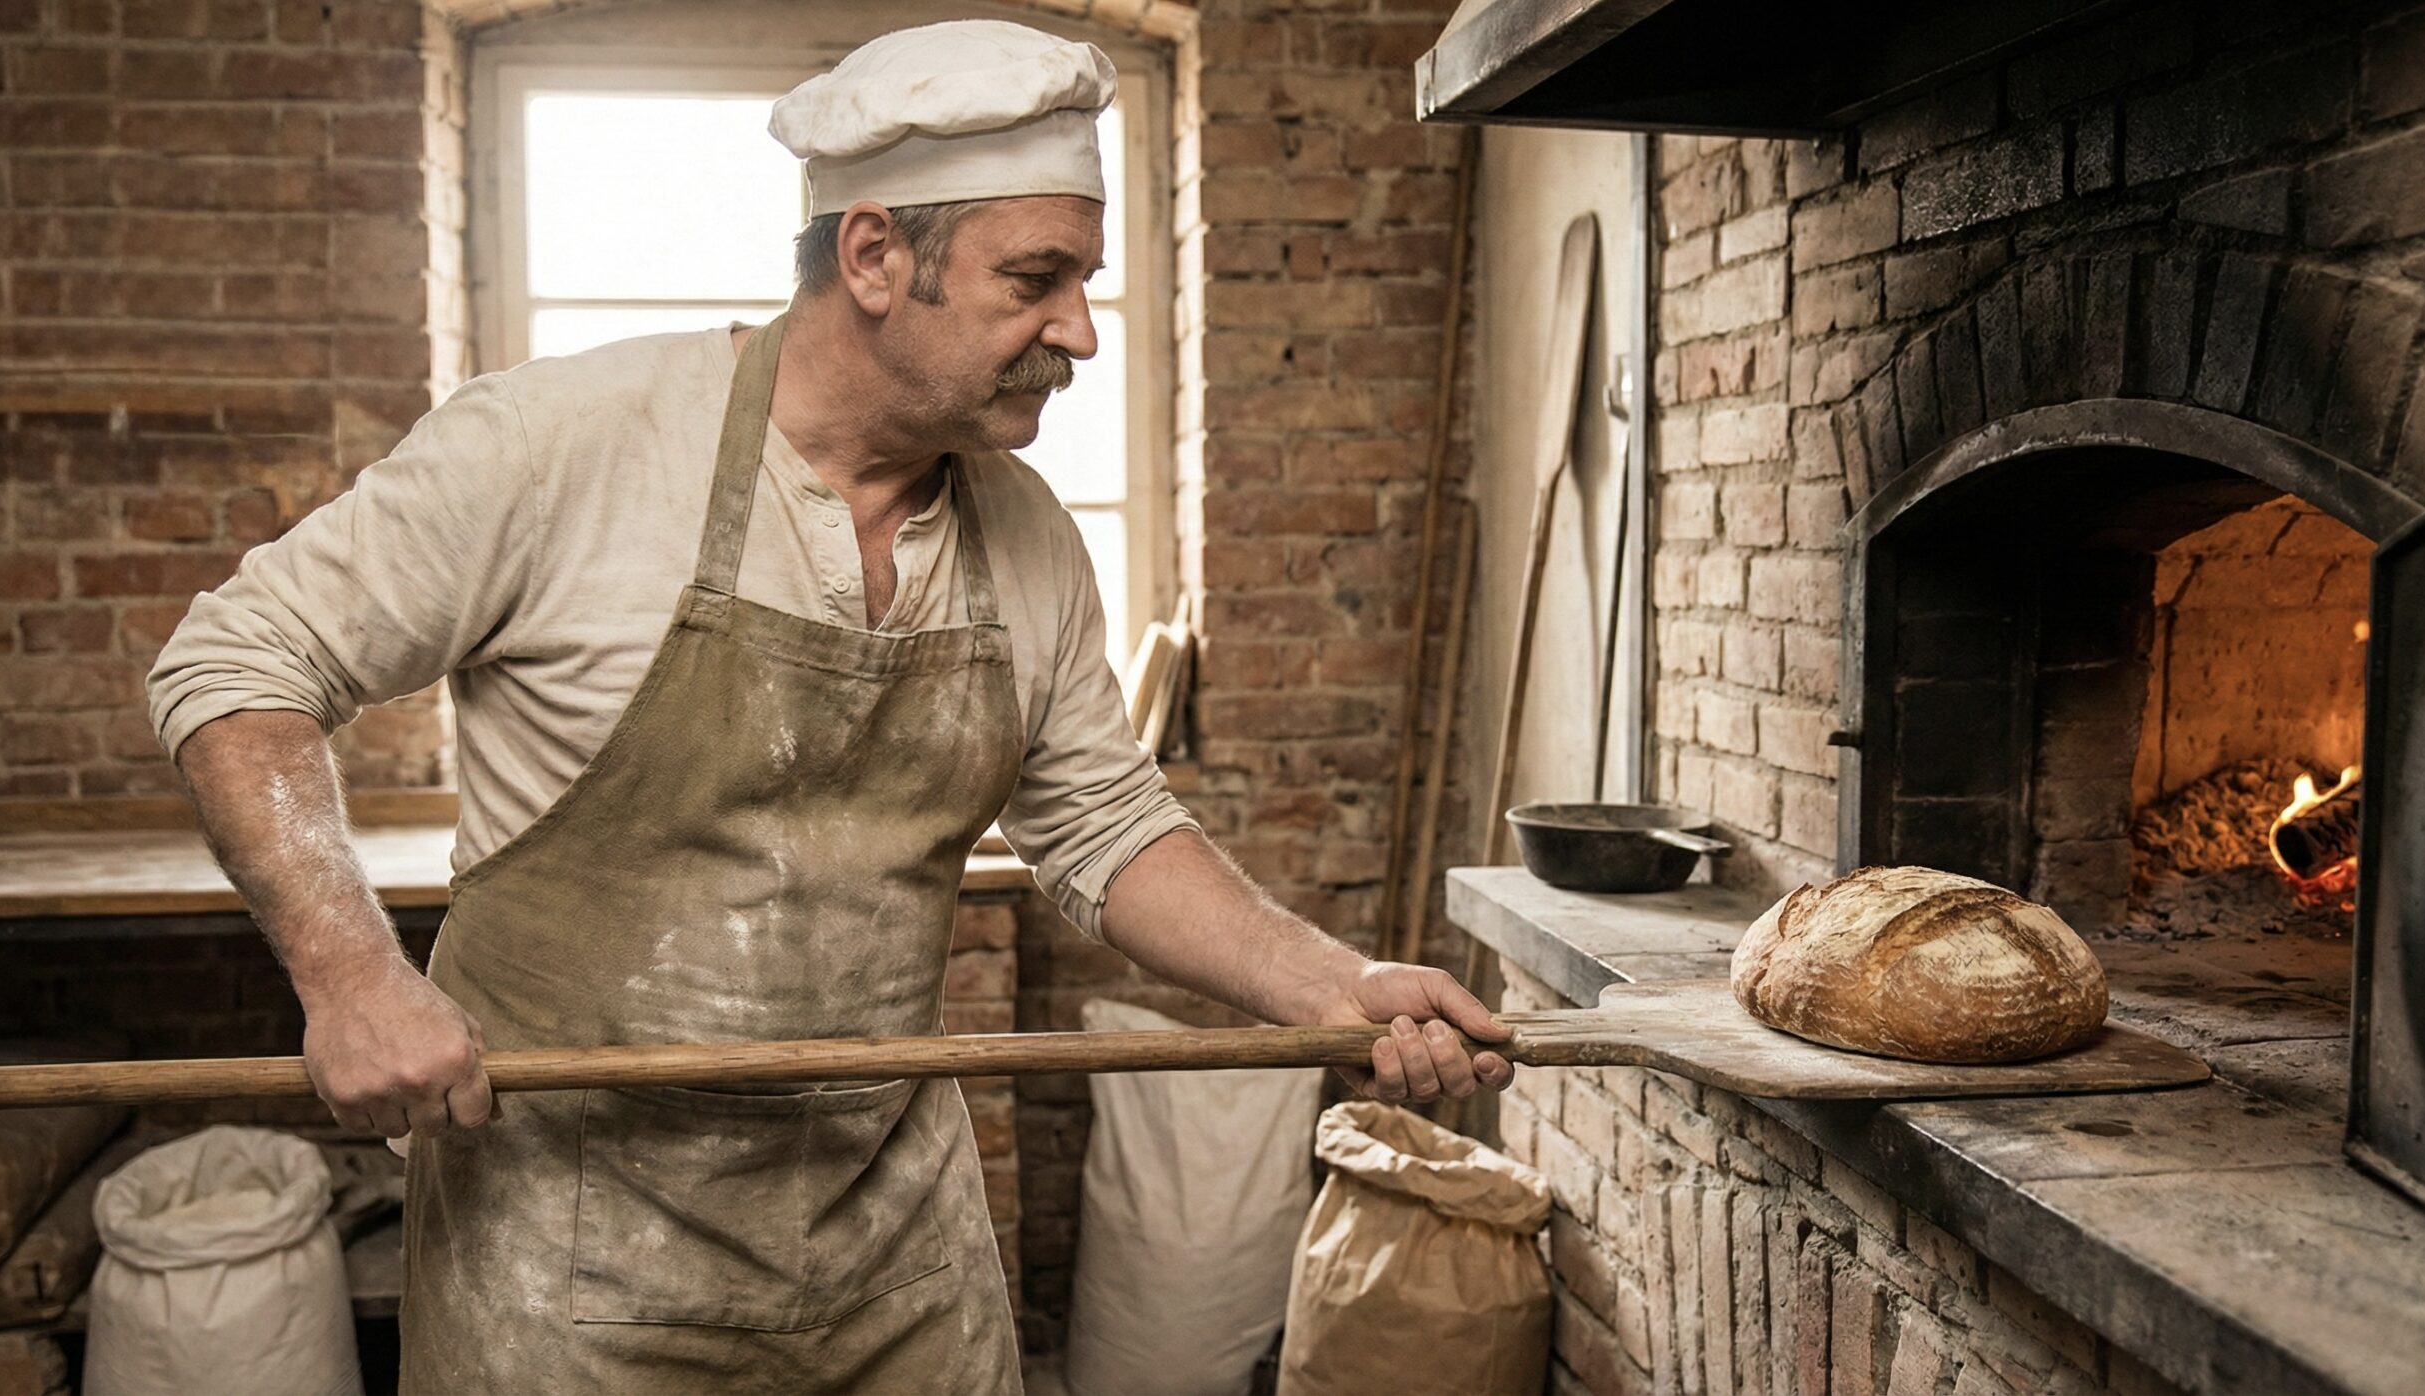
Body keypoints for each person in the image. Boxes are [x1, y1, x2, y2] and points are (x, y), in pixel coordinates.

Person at [149, 20, 1512, 1394]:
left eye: (1085, 282)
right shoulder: (563, 447)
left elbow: (1101, 825)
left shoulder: (1025, 536)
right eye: (1034, 280)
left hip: (892, 1255)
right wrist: (350, 975)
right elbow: (238, 666)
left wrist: (1332, 987)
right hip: (570, 1251)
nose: (1080, 331)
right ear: (872, 258)